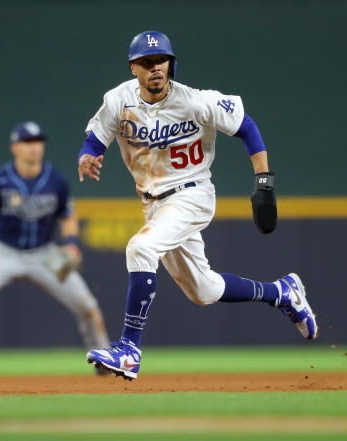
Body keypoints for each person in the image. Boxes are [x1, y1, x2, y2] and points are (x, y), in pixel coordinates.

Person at [78, 31, 318, 380]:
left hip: (191, 195)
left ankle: (129, 349)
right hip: (154, 205)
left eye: (161, 61)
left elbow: (246, 127)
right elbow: (94, 139)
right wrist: (88, 156)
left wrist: (264, 182)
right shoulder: (118, 100)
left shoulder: (196, 101)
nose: (155, 68)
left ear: (170, 64)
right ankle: (282, 293)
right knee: (204, 290)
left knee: (140, 247)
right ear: (134, 68)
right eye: (146, 63)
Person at [0, 121, 110, 377]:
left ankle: (102, 358)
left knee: (86, 304)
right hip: (1, 252)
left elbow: (68, 216)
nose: (34, 147)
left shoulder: (56, 180)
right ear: (15, 147)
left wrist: (71, 245)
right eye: (27, 142)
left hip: (44, 254)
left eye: (37, 141)